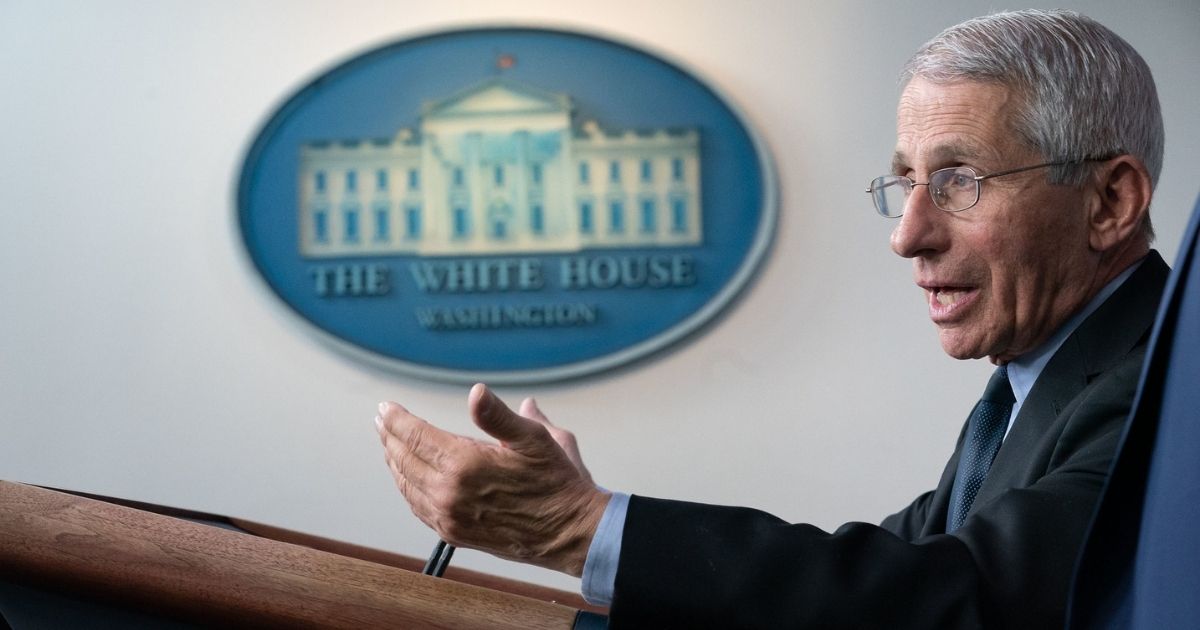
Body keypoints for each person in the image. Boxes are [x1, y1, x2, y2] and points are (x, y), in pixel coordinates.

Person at [375, 9, 1167, 628]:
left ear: (1110, 202)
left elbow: (959, 603)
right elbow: (883, 573)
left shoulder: (1168, 390)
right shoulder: (1032, 384)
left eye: (959, 181)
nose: (907, 235)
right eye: (906, 183)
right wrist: (583, 529)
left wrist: (583, 528)